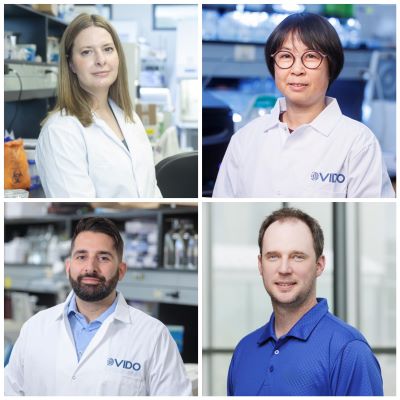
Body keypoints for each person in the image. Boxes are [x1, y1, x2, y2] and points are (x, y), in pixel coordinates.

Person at [213, 13, 394, 198]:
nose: (297, 69)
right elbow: (221, 214)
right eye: (285, 56)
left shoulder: (359, 143)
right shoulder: (244, 139)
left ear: (331, 66)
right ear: (273, 64)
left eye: (311, 57)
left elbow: (373, 221)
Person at [5, 217, 191, 395]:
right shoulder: (34, 327)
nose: (90, 267)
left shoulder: (153, 336)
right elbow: (9, 392)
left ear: (121, 270)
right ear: (68, 266)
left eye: (103, 258)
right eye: (81, 257)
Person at [227, 208, 383, 396]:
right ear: (261, 265)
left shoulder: (349, 351)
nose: (284, 269)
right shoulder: (244, 350)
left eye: (297, 257)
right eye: (273, 256)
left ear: (319, 265)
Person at [36, 14, 162, 198]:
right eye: (87, 52)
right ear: (71, 63)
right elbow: (79, 207)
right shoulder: (60, 131)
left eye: (108, 49)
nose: (101, 60)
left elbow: (151, 191)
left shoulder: (130, 118)